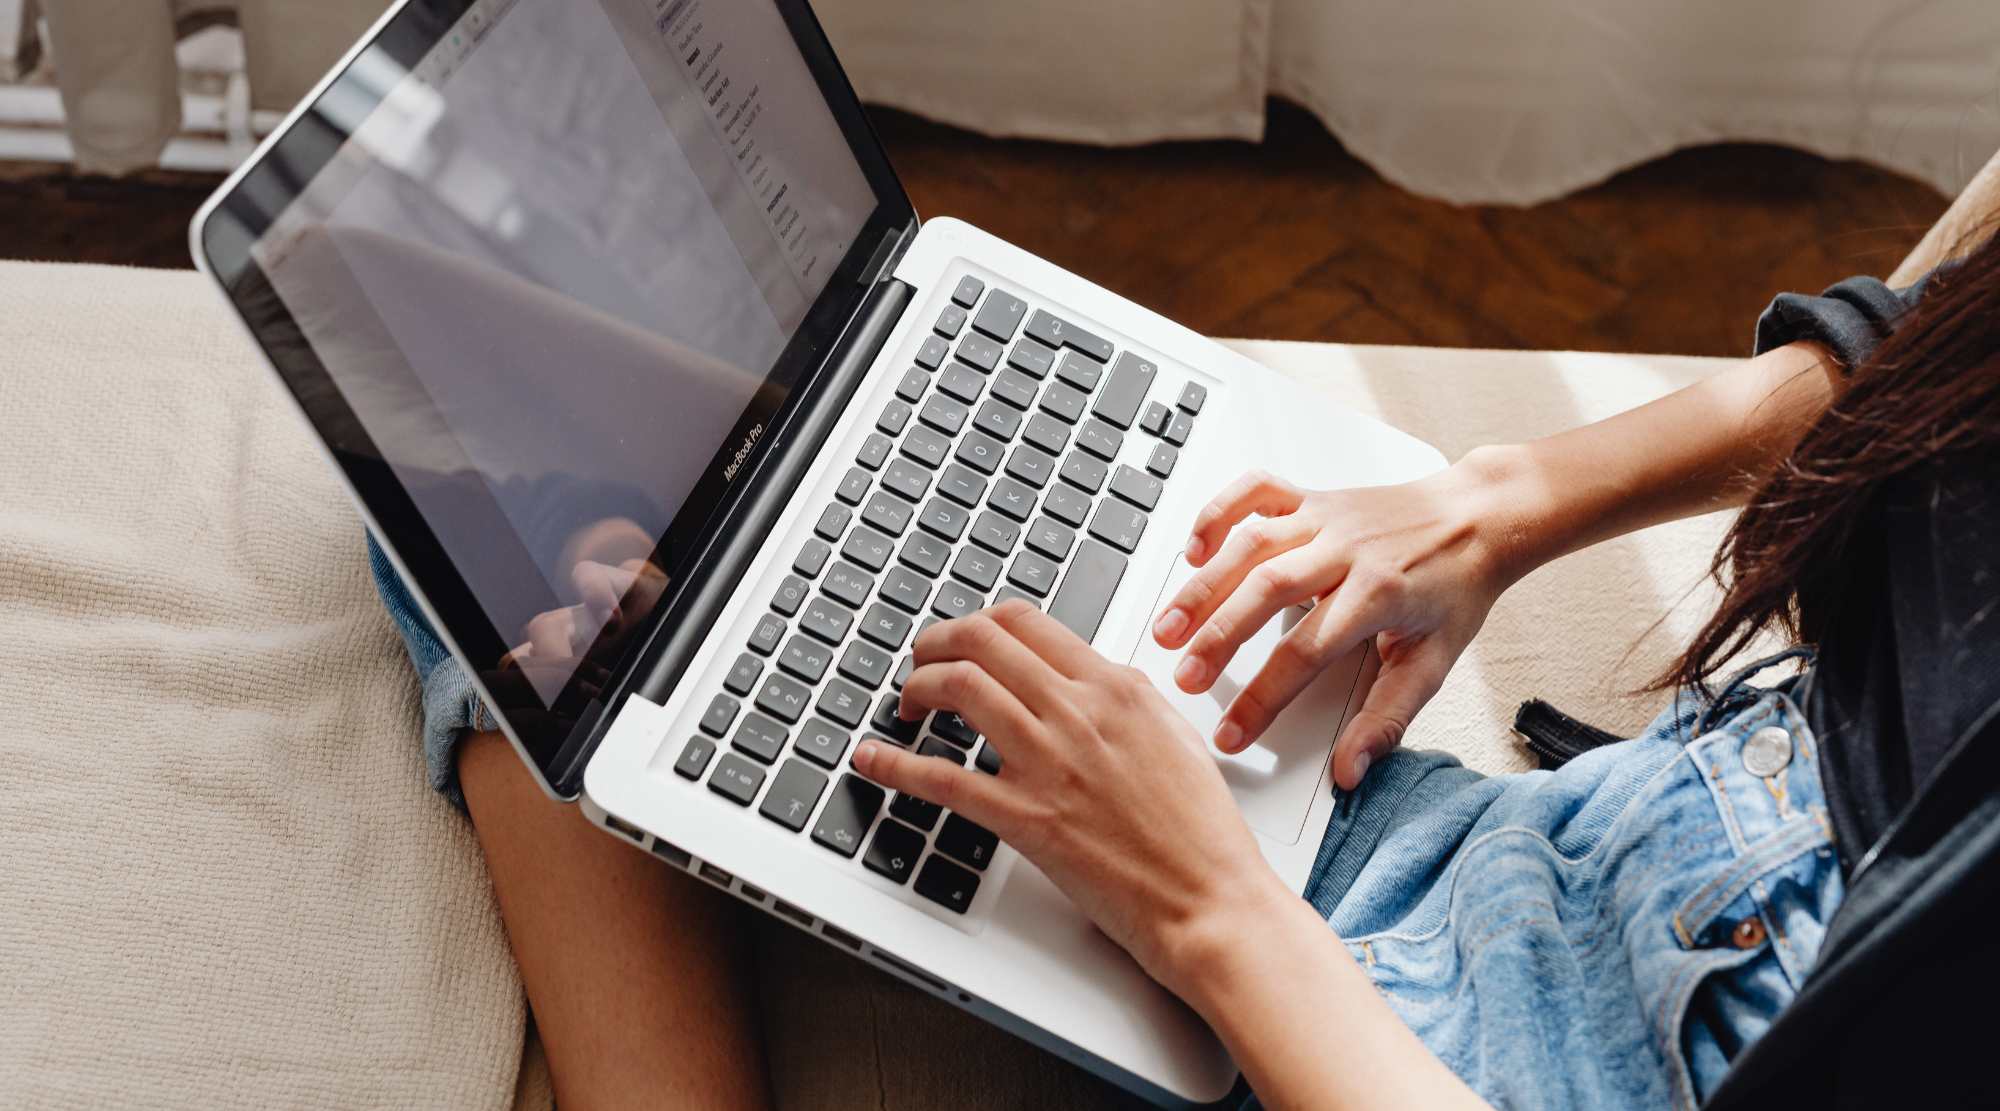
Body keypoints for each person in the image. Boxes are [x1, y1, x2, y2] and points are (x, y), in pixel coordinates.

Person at [372, 228, 2000, 1110]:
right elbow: (1932, 344)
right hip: (1572, 848)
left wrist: (1209, 907)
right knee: (472, 401)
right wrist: (1496, 503)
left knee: (498, 545)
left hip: (1424, 1050)